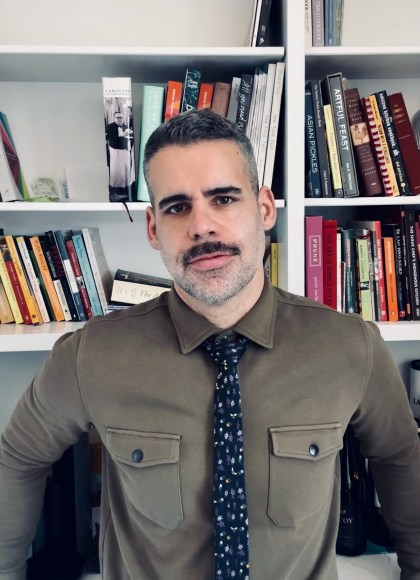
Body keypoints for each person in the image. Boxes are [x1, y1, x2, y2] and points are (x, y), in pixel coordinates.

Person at [1, 109, 420, 579]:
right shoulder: (90, 355)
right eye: (177, 207)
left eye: (223, 198)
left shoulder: (351, 348)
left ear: (265, 208)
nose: (202, 226)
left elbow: (399, 458)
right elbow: (18, 457)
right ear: (153, 228)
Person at [105, 109, 135, 202]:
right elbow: (114, 140)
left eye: (121, 118)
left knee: (125, 170)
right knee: (116, 171)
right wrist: (123, 136)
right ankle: (115, 191)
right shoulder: (110, 127)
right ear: (114, 118)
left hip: (125, 152)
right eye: (118, 117)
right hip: (116, 152)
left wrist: (123, 136)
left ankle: (125, 189)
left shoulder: (125, 126)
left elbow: (130, 139)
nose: (119, 119)